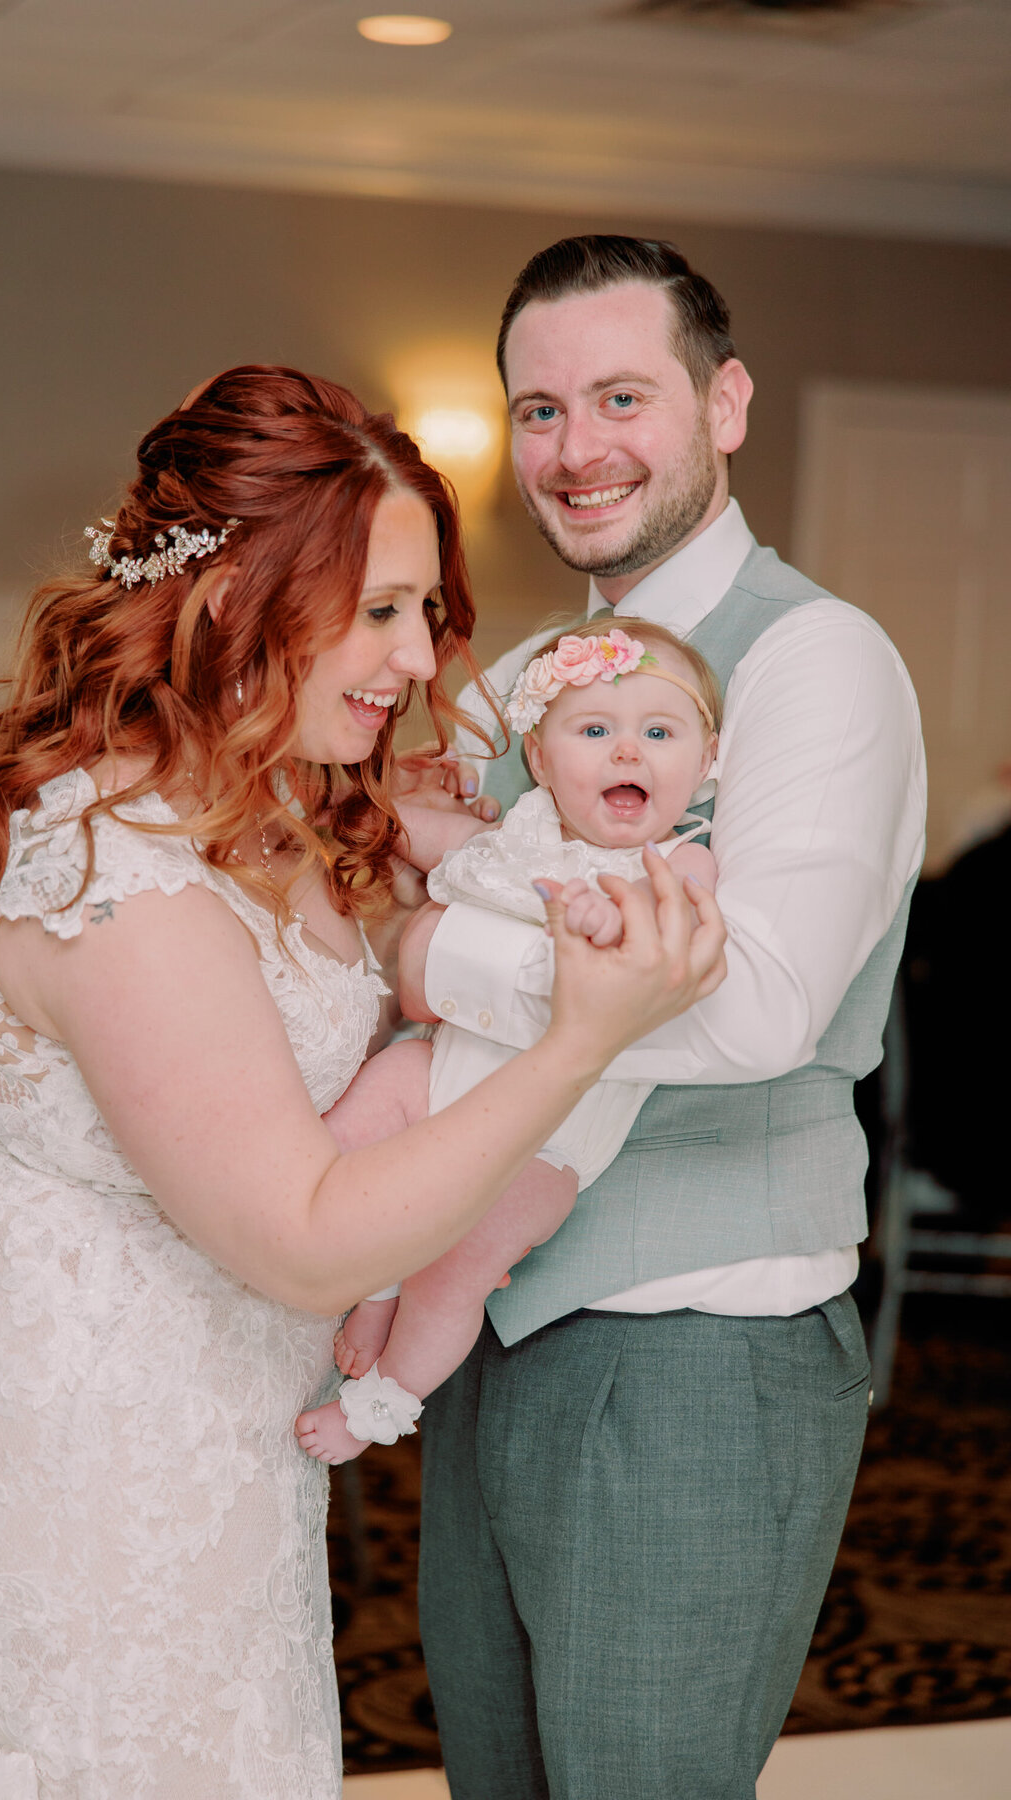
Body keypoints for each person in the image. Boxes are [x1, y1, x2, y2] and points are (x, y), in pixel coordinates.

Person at [0, 364, 725, 1800]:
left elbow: (301, 1071)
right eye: (377, 611)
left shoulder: (262, 809)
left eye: (424, 610)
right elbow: (302, 1238)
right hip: (88, 1436)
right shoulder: (121, 875)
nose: (421, 657)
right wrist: (576, 1043)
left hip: (211, 1420)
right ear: (235, 599)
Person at [414, 238, 927, 1800]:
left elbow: (763, 1003)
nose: (578, 449)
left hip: (701, 1335)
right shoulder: (520, 679)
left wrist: (433, 957)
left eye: (622, 395)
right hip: (479, 1323)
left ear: (727, 404)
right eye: (542, 409)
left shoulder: (816, 658)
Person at [296, 618, 720, 1465]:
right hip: (443, 1068)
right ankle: (368, 1279)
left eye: (659, 733)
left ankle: (381, 1405)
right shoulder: (515, 837)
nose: (627, 754)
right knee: (358, 1123)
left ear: (707, 763)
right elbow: (412, 836)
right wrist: (373, 812)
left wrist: (609, 919)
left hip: (550, 1137)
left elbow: (667, 953)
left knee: (455, 1270)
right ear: (539, 759)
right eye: (594, 731)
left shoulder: (684, 863)